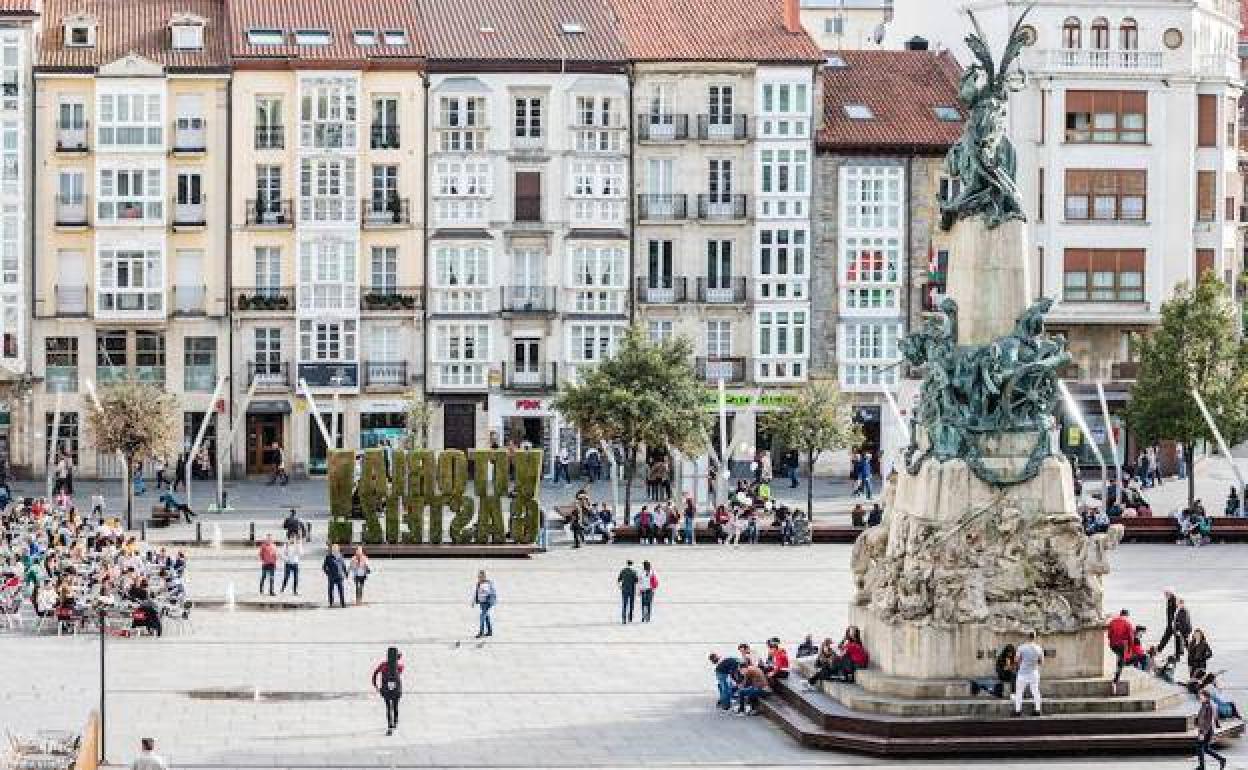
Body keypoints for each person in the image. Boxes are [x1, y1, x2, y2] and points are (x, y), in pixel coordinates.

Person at [372, 647, 404, 736]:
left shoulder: (383, 665)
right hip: (396, 690)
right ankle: (395, 722)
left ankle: (389, 726)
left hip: (385, 689)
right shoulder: (400, 667)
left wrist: (376, 686)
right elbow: (400, 671)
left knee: (388, 707)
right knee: (395, 706)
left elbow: (375, 674)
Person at [1012, 630, 1044, 717]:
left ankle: (1018, 711)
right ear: (1034, 637)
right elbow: (1041, 662)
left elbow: (1016, 660)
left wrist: (1021, 663)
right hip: (1034, 673)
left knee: (1019, 692)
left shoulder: (1021, 647)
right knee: (1036, 692)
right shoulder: (1039, 648)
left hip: (1022, 673)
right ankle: (1037, 710)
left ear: (1027, 637)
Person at [1195, 688, 1228, 770]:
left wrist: (1202, 732)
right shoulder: (1207, 704)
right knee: (1205, 748)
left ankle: (1202, 767)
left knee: (1200, 748)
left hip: (1206, 730)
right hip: (1206, 729)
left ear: (1206, 696)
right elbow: (1211, 717)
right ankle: (1221, 760)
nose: (1199, 697)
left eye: (1201, 696)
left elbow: (1208, 721)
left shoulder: (1209, 706)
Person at [1106, 608, 1134, 687]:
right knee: (1121, 661)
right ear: (1127, 615)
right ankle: (1116, 680)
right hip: (1122, 645)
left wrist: (1112, 642)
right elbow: (1131, 637)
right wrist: (1130, 649)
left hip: (1113, 645)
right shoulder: (1127, 623)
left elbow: (1109, 635)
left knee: (1118, 658)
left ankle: (1116, 674)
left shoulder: (1112, 622)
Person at [1158, 589, 1185, 661]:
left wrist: (1176, 623)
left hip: (1175, 624)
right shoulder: (1169, 600)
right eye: (1165, 594)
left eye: (1167, 593)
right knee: (1167, 637)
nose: (1165, 595)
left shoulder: (1174, 600)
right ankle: (1159, 649)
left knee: (1177, 639)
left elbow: (1178, 612)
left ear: (1171, 593)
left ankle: (1178, 655)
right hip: (1171, 624)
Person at [472, 570, 496, 638]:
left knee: (482, 616)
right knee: (486, 616)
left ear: (484, 576)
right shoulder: (479, 583)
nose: (479, 578)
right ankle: (489, 631)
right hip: (482, 602)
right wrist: (474, 601)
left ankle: (481, 632)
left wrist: (487, 596)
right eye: (479, 576)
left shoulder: (487, 583)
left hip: (487, 602)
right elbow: (476, 592)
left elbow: (490, 592)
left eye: (481, 576)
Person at [617, 559, 638, 624]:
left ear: (627, 564)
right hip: (632, 589)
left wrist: (621, 586)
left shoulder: (623, 571)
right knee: (631, 604)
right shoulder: (634, 572)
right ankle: (630, 617)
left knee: (625, 604)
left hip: (624, 589)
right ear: (632, 564)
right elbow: (636, 581)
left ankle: (624, 618)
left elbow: (619, 579)